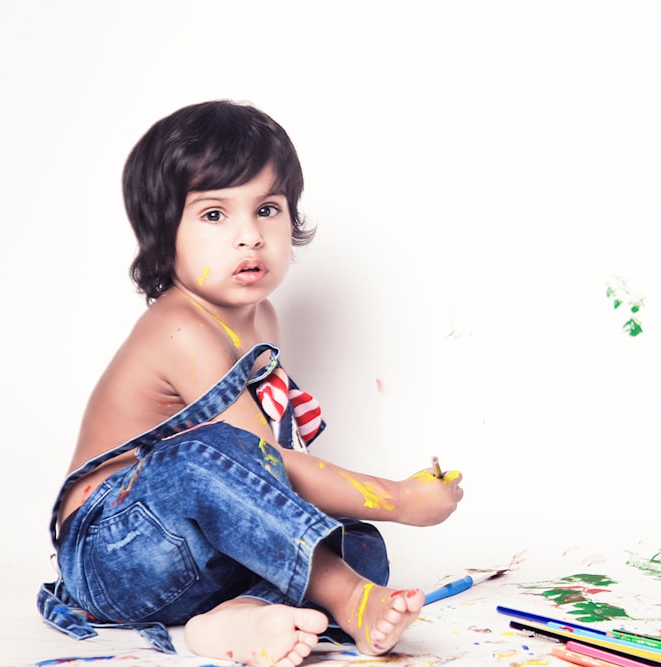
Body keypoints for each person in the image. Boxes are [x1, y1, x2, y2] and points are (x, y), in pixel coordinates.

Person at [38, 100, 464, 667]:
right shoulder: (181, 329)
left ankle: (231, 615)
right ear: (164, 237)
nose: (249, 237)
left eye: (266, 209)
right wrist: (398, 497)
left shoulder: (262, 320)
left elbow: (262, 486)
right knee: (200, 456)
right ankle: (344, 596)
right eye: (214, 215)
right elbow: (259, 462)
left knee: (356, 541)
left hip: (196, 556)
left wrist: (359, 518)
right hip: (115, 552)